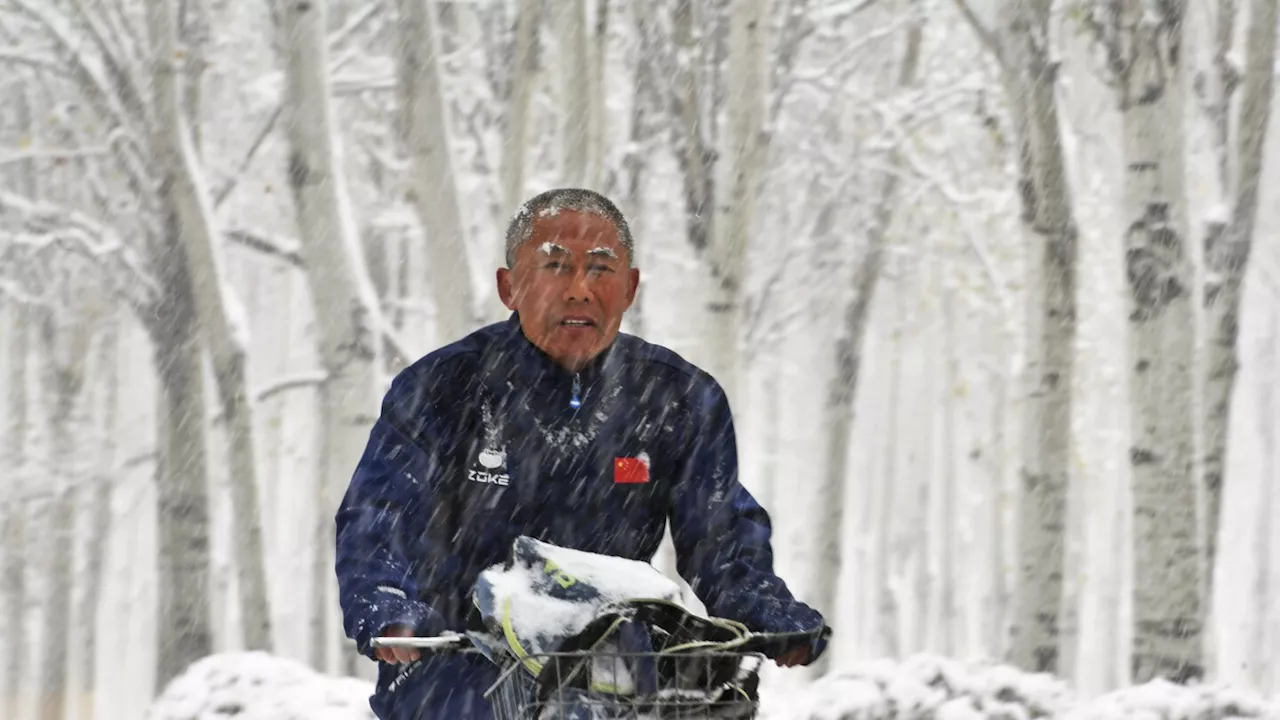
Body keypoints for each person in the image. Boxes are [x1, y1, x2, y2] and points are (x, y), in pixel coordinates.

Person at [334, 188, 828, 719]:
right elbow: (377, 519)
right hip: (456, 673)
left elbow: (720, 536)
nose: (579, 290)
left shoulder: (679, 397)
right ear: (509, 286)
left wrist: (763, 608)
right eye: (554, 265)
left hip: (615, 670)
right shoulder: (439, 388)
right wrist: (387, 608)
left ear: (631, 287)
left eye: (600, 269)